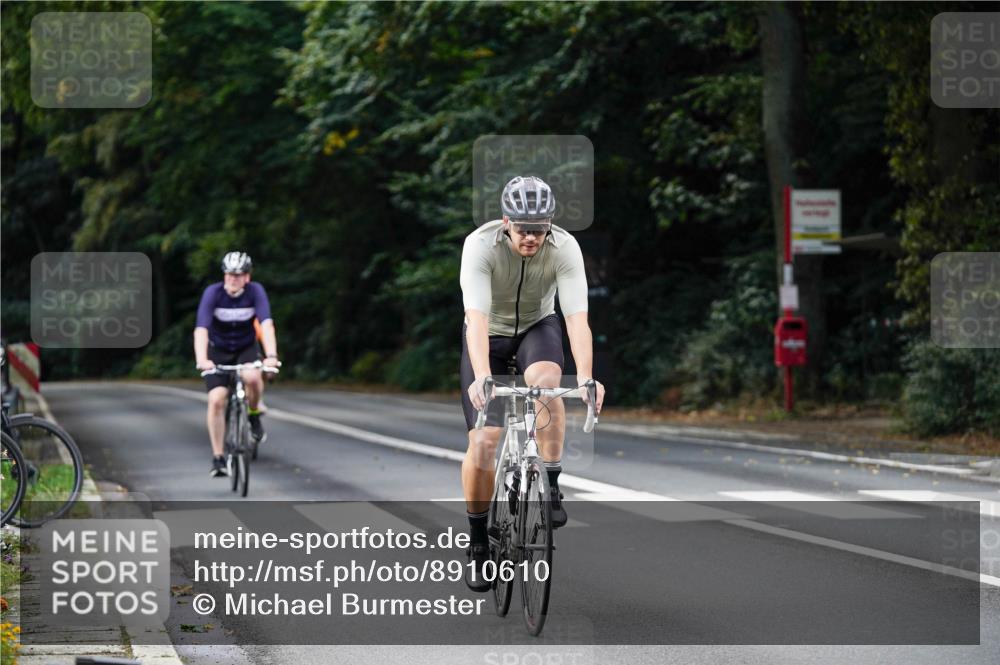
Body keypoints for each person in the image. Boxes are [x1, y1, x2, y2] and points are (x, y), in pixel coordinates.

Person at [459, 176, 606, 591]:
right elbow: (476, 320)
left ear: (550, 225)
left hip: (539, 327)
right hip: (488, 334)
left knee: (547, 385)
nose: (531, 237)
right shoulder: (480, 245)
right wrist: (484, 377)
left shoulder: (565, 248)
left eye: (539, 229)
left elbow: (577, 320)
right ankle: (477, 543)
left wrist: (588, 377)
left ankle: (552, 484)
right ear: (506, 221)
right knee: (484, 443)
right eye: (523, 229)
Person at [194, 252, 279, 477]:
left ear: (247, 277)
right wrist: (202, 359)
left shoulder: (255, 292)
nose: (233, 279)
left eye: (238, 275)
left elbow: (266, 324)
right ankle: (218, 458)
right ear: (224, 275)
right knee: (216, 400)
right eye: (229, 274)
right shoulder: (213, 293)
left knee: (252, 377)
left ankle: (253, 413)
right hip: (218, 351)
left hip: (245, 348)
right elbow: (201, 329)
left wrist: (271, 355)